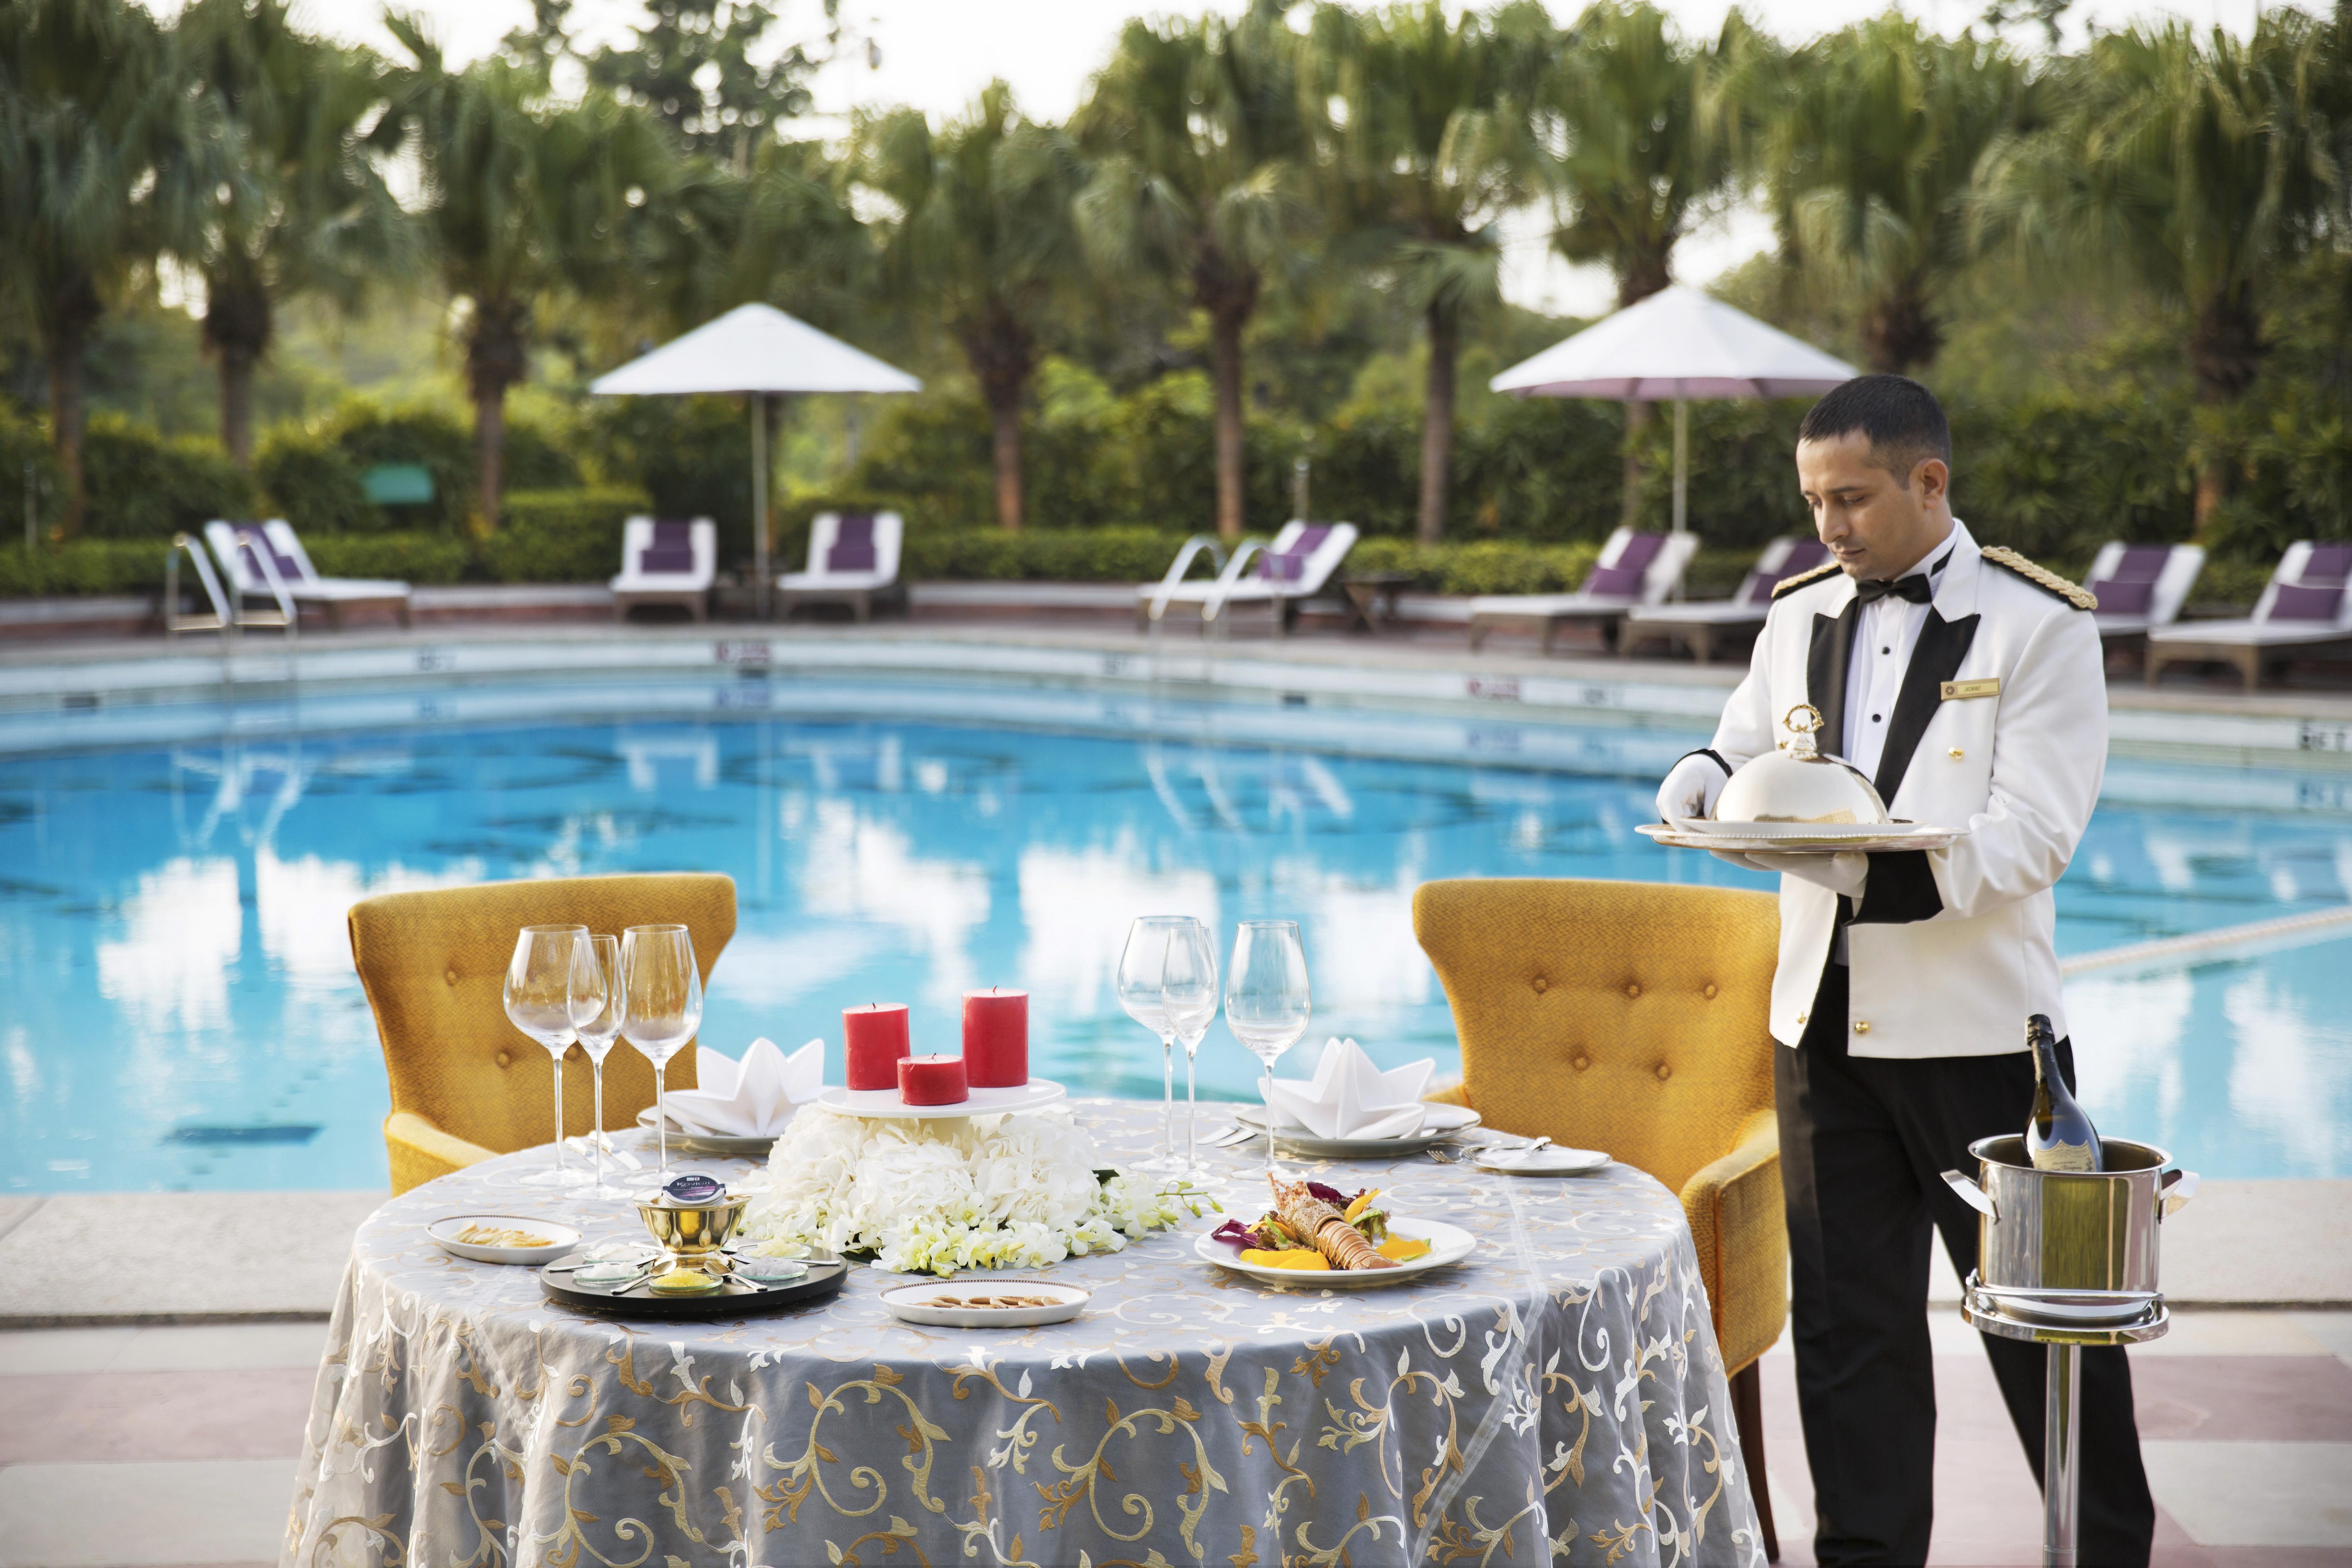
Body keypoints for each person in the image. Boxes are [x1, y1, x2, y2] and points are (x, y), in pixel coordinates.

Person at [1655, 375, 2154, 1566]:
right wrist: (1696, 782)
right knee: (1846, 1343)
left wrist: (1858, 873)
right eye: (1814, 500)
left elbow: (2037, 832)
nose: (1829, 525)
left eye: (1853, 498)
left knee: (2052, 1345)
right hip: (1818, 1038)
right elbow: (1741, 741)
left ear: (1931, 482)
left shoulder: (2042, 624)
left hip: (1985, 1044)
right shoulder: (1798, 613)